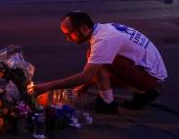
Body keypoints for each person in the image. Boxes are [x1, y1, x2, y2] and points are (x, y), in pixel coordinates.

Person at [32, 11, 168, 115]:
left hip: (152, 78)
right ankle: (141, 92)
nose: (68, 39)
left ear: (84, 29)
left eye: (69, 34)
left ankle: (108, 104)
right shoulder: (102, 30)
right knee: (95, 60)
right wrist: (85, 85)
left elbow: (86, 75)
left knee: (96, 62)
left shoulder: (104, 40)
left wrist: (49, 86)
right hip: (147, 71)